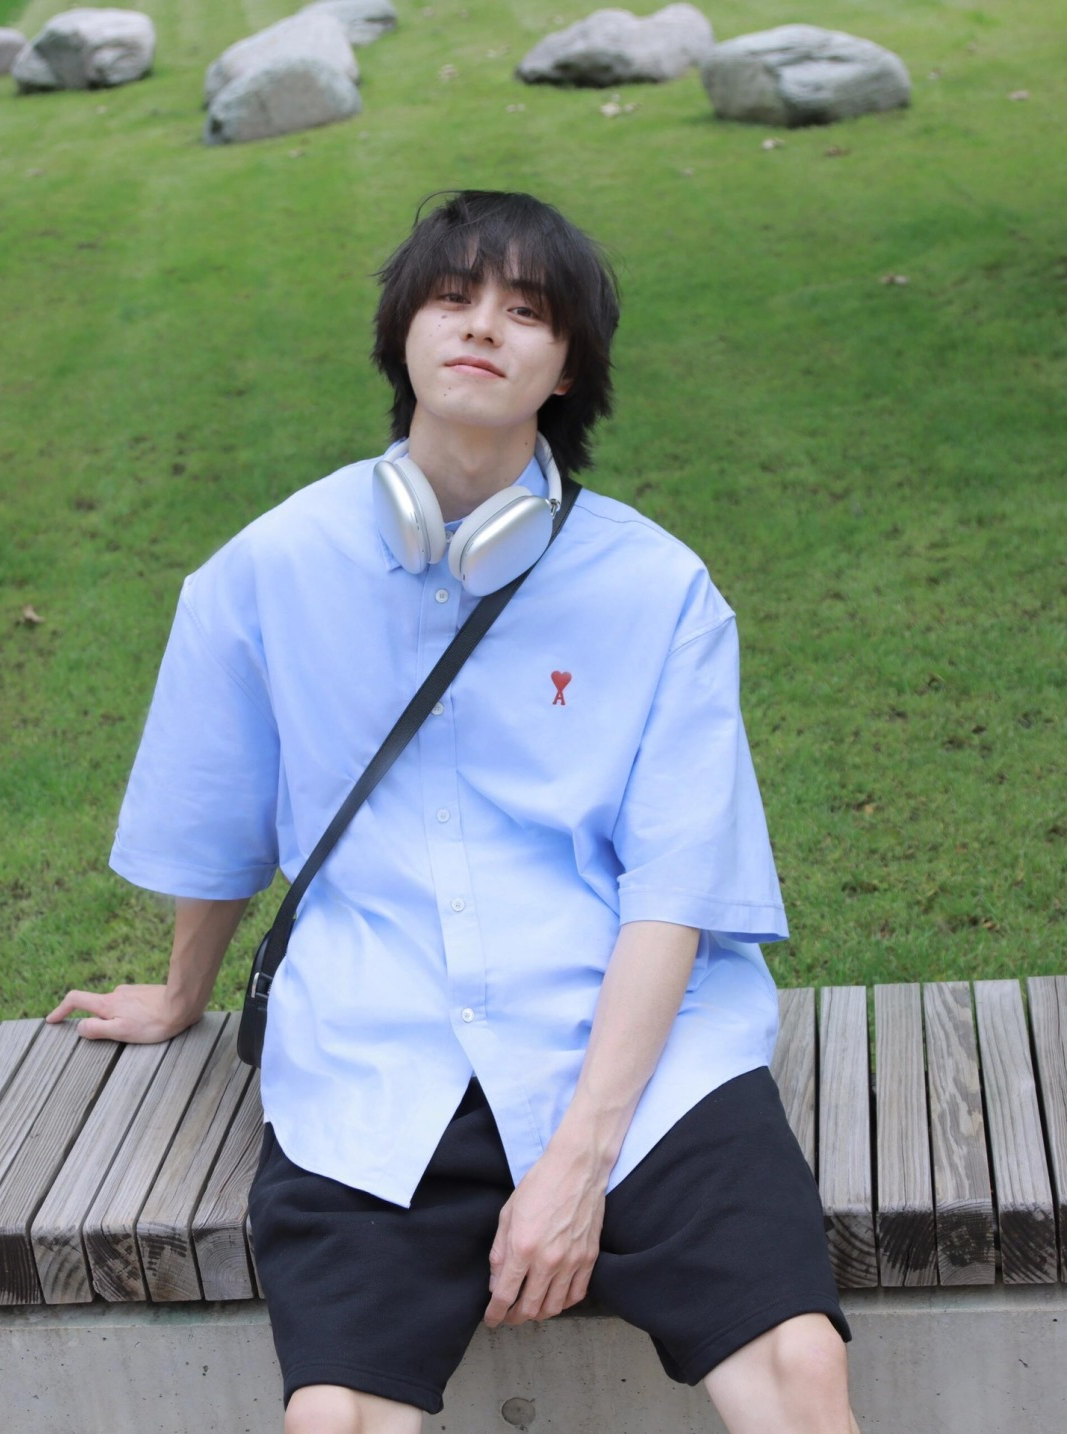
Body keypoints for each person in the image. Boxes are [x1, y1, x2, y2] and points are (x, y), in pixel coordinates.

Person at [49, 191, 859, 1434]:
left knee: (800, 1372)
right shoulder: (267, 568)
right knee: (335, 1420)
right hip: (377, 1049)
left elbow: (676, 889)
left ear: (566, 368)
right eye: (452, 297)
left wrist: (578, 1164)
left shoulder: (660, 590)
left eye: (526, 311)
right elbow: (218, 818)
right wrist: (178, 993)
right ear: (404, 332)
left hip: (634, 1052)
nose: (483, 326)